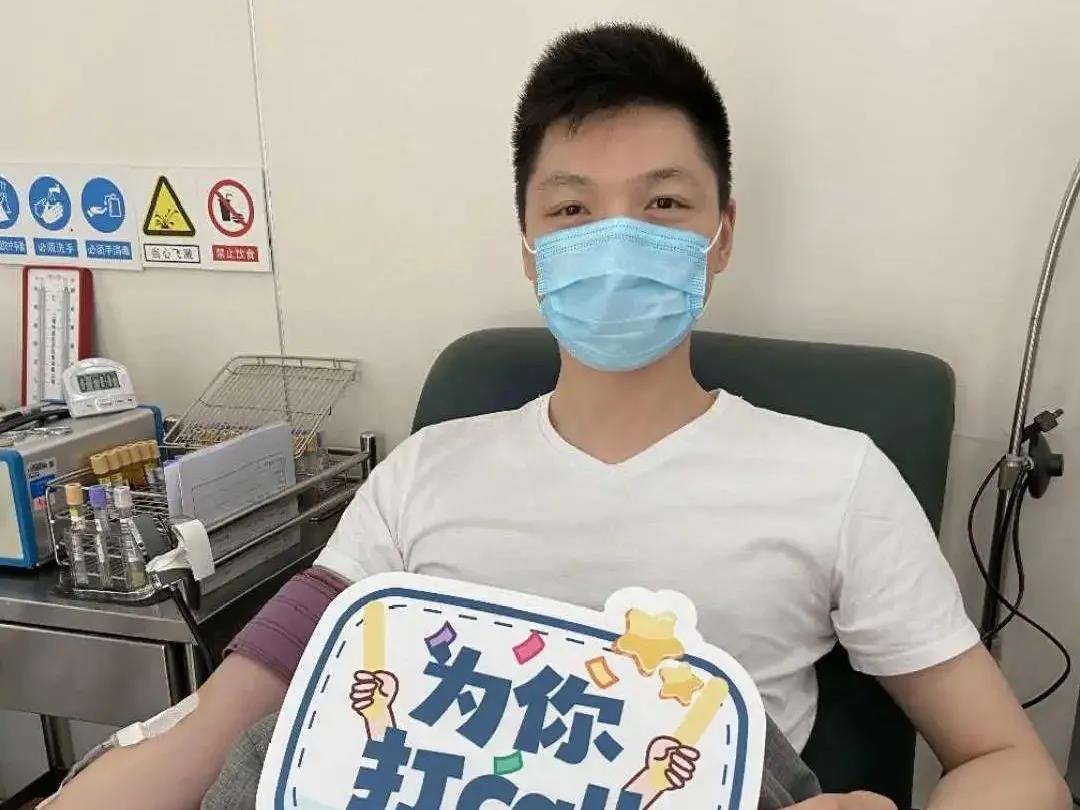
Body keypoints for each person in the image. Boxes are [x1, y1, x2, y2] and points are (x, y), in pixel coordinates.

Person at [51, 23, 1068, 810]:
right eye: (574, 209)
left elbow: (1006, 762)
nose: (617, 241)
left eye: (663, 204)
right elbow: (228, 716)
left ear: (720, 235)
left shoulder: (835, 478)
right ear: (530, 245)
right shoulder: (424, 471)